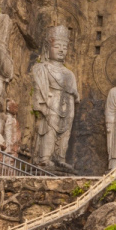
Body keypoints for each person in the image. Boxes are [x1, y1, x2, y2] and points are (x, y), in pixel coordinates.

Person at [31, 25, 79, 170]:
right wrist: (42, 104)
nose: (61, 50)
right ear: (48, 48)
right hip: (52, 101)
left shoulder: (69, 73)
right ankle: (45, 157)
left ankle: (60, 158)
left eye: (64, 47)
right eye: (57, 46)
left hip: (68, 103)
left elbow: (75, 95)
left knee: (65, 132)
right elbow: (39, 86)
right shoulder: (42, 68)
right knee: (49, 129)